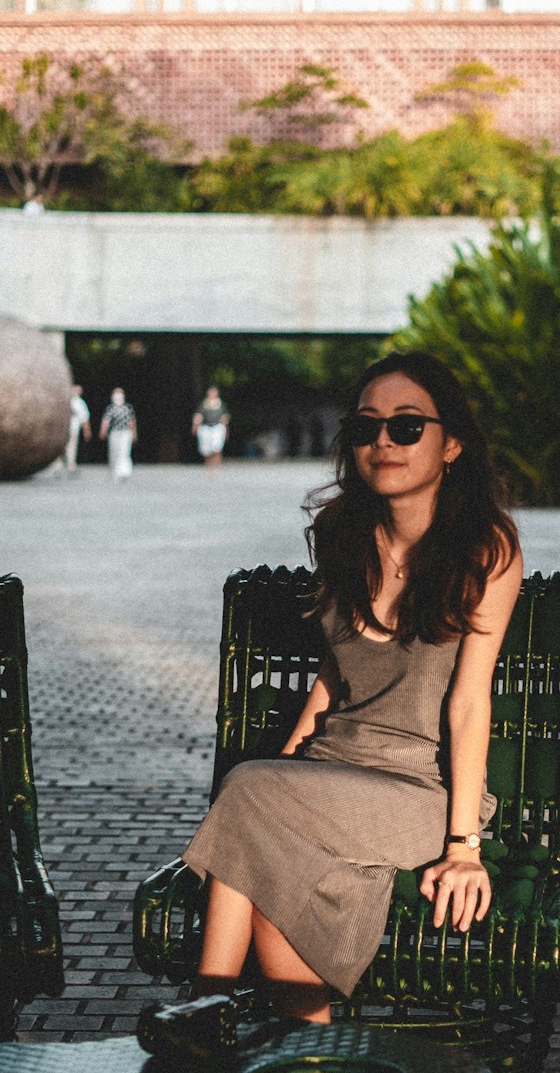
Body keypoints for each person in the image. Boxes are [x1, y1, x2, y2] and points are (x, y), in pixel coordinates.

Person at [181, 351, 523, 1023]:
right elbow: (332, 683)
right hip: (330, 781)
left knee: (247, 793)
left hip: (420, 795)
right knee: (278, 899)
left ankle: (206, 1010)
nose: (382, 443)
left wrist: (463, 850)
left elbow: (469, 702)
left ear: (451, 444)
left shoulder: (487, 549)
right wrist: (281, 772)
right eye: (366, 429)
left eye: (405, 427)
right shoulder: (344, 538)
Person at [99, 387, 137, 480]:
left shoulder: (128, 408)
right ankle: (115, 471)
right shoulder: (110, 409)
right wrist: (103, 431)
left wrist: (134, 433)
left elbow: (132, 421)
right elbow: (106, 421)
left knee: (124, 452)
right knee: (114, 452)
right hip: (114, 433)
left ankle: (124, 471)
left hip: (125, 433)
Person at [192, 384, 229, 469]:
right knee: (206, 449)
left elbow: (224, 419)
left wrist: (226, 430)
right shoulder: (203, 404)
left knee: (217, 447)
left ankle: (217, 465)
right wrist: (195, 426)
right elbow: (198, 416)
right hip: (205, 428)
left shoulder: (221, 405)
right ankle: (208, 465)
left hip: (217, 427)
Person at [60, 383, 91, 473]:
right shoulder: (71, 402)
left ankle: (68, 465)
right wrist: (87, 430)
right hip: (67, 429)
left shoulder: (77, 402)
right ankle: (65, 465)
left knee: (69, 447)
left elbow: (84, 419)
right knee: (66, 447)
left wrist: (86, 430)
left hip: (71, 429)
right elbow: (84, 418)